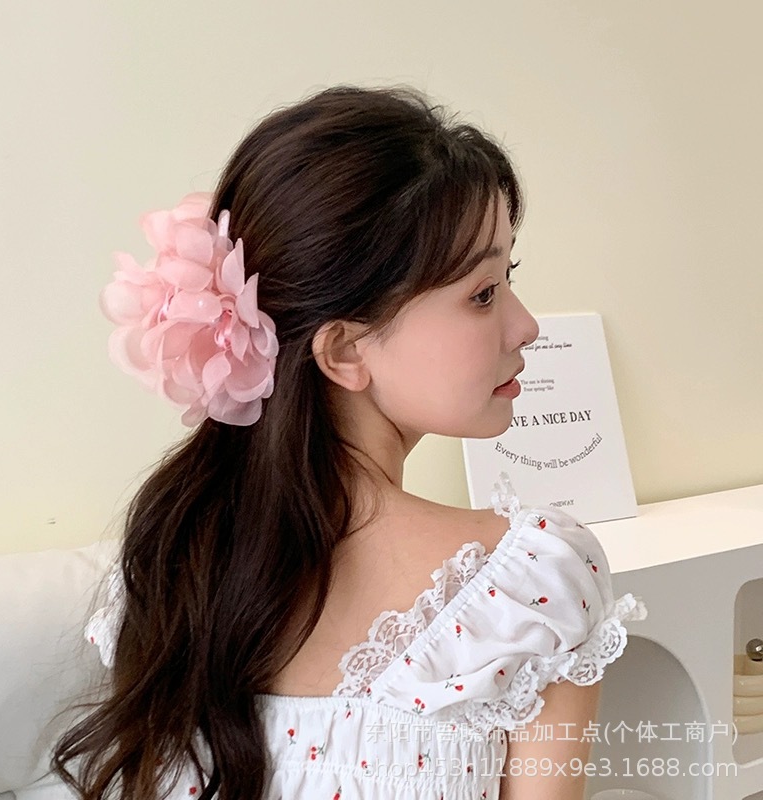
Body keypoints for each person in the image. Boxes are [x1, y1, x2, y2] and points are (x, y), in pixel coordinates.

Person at [52, 85, 647, 800]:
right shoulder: (531, 587)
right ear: (342, 351)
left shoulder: (171, 554)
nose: (526, 326)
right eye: (483, 294)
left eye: (506, 279)